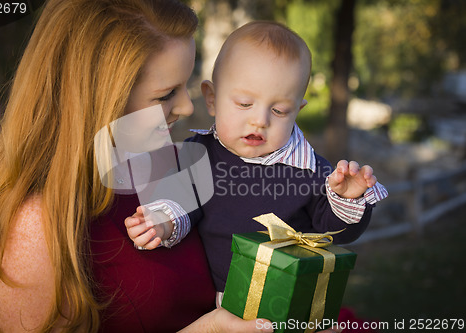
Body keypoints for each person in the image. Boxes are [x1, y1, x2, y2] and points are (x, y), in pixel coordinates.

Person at [0, 1, 280, 332]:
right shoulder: (35, 227)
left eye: (184, 86)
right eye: (165, 95)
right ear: (98, 99)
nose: (187, 107)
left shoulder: (168, 167)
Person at [127, 21, 388, 300]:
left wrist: (346, 198)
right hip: (214, 301)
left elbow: (336, 233)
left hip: (286, 302)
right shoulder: (199, 154)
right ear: (212, 99)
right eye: (244, 104)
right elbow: (182, 201)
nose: (259, 120)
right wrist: (162, 221)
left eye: (278, 110)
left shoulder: (311, 171)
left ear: (296, 111)